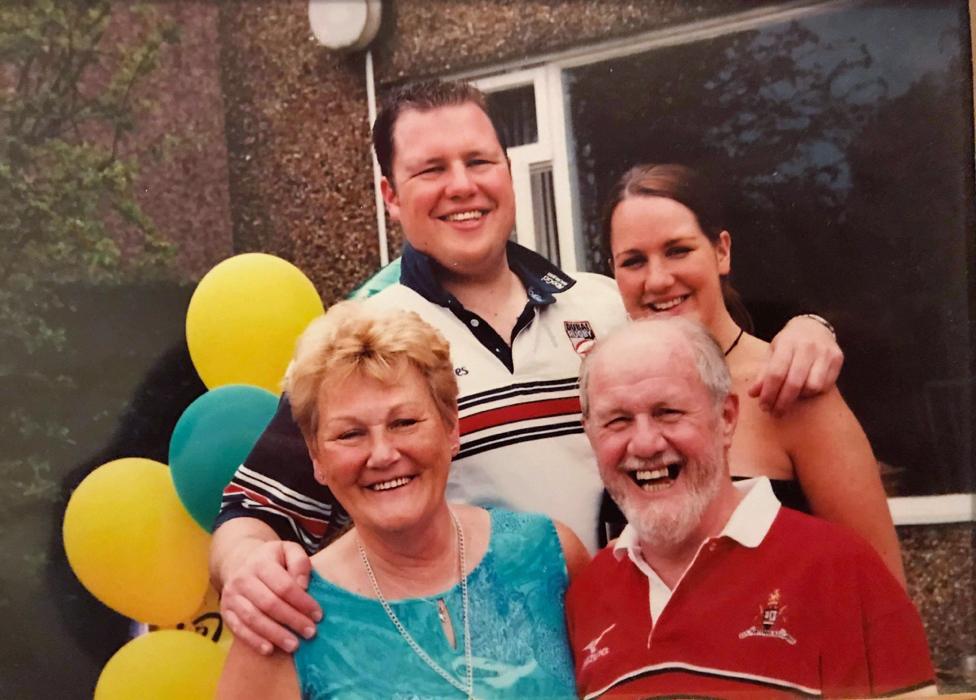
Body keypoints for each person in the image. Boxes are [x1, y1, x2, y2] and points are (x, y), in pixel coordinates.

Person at [210, 79, 843, 655]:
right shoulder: (365, 340)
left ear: (508, 173)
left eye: (479, 161)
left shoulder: (606, 304)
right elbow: (254, 512)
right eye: (431, 169)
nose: (462, 185)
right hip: (483, 670)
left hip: (648, 653)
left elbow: (727, 360)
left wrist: (809, 331)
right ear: (390, 197)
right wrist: (247, 570)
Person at [217, 302, 586, 699]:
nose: (382, 454)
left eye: (404, 423)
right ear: (316, 458)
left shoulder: (549, 556)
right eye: (349, 434)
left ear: (450, 427)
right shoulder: (287, 616)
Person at [567, 317, 935, 698]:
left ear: (726, 418)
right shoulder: (587, 595)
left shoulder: (841, 569)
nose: (644, 444)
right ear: (590, 434)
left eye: (668, 412)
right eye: (617, 420)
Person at [603, 163, 905, 586]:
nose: (657, 279)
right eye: (634, 261)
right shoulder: (611, 395)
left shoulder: (788, 385)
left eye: (678, 250)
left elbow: (881, 591)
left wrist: (815, 325)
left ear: (721, 251)